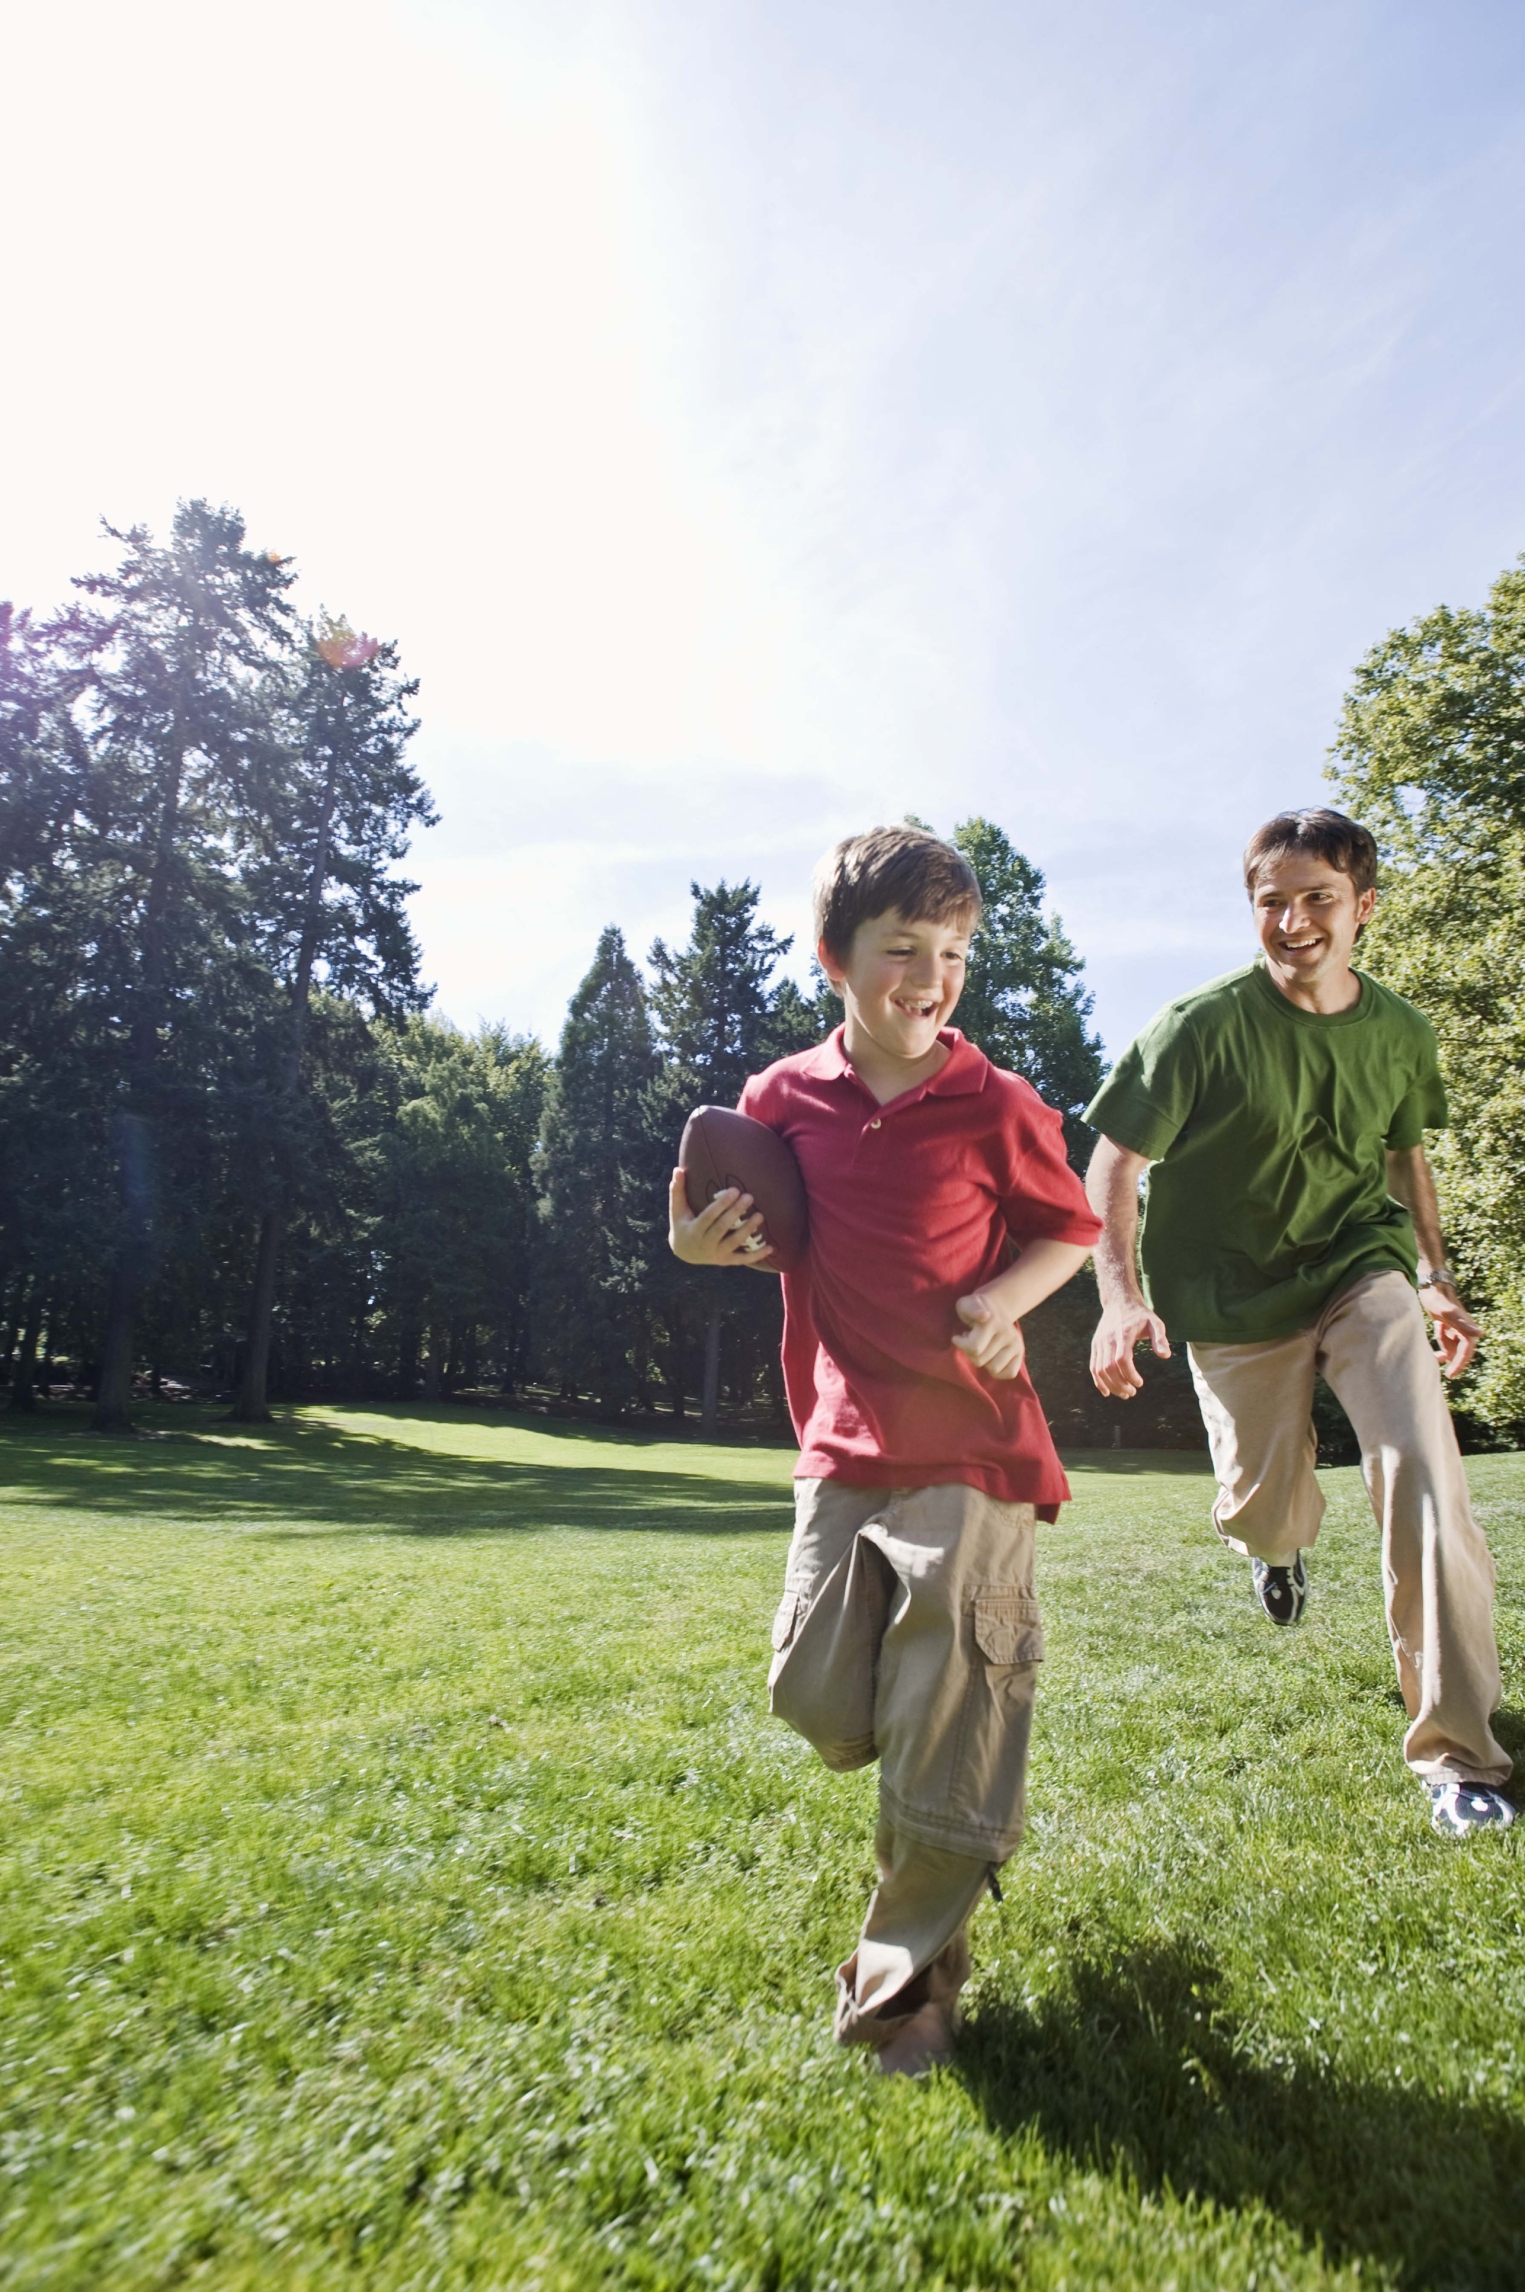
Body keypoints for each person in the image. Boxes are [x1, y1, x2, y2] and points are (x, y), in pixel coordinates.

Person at [668, 826, 1101, 2075]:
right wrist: (698, 1248)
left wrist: (1002, 1306)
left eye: (954, 951)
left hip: (976, 1444)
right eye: (902, 947)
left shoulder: (998, 1103)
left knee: (942, 1705)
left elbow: (1065, 1233)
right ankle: (940, 1803)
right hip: (842, 1443)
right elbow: (705, 1209)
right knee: (812, 1693)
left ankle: (905, 1985)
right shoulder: (779, 1098)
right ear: (834, 959)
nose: (931, 974)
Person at [1084, 806, 1514, 1838]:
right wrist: (1117, 1295)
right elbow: (1113, 1162)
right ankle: (1275, 1554)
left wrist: (1434, 1275)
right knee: (1260, 1509)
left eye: (1315, 898)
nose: (1291, 921)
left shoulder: (1399, 1033)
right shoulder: (1199, 1027)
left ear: (1362, 906)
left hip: (1357, 1268)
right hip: (1228, 1298)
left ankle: (1458, 1752)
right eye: (1269, 902)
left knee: (1423, 1470)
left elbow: (1406, 1156)